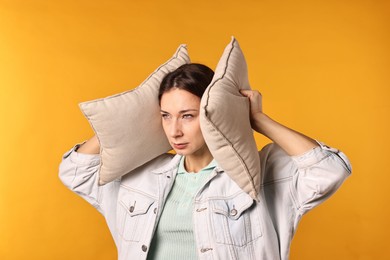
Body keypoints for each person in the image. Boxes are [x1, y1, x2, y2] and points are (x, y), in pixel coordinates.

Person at [59, 63, 351, 260]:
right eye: (165, 116)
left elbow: (329, 170)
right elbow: (75, 172)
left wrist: (257, 119)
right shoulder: (141, 176)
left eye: (188, 115)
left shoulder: (259, 174)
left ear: (213, 113)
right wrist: (125, 120)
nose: (175, 130)